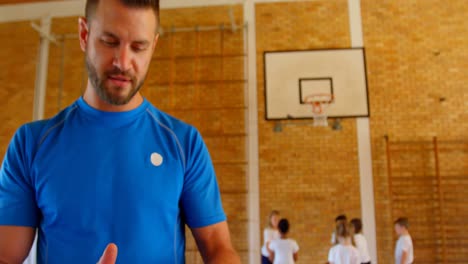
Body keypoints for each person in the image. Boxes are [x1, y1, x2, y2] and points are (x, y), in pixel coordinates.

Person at [0, 0, 241, 263]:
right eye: (110, 41)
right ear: (84, 35)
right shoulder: (31, 144)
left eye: (138, 47)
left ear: (153, 47)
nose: (123, 62)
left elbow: (218, 246)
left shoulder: (184, 144)